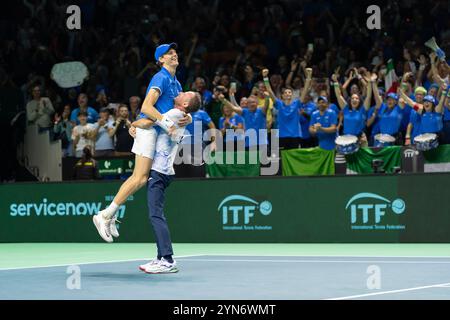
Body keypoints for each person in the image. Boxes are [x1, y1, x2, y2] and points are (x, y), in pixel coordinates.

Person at [92, 43, 192, 242]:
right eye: (168, 54)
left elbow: (176, 110)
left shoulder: (177, 84)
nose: (174, 55)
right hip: (148, 131)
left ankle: (108, 214)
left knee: (141, 178)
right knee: (139, 177)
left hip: (155, 131)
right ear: (161, 60)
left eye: (174, 52)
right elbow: (147, 105)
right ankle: (104, 215)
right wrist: (164, 124)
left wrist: (187, 118)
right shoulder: (160, 77)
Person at [137, 99, 201, 274]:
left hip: (159, 171)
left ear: (186, 103)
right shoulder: (182, 115)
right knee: (156, 214)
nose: (180, 93)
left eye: (185, 94)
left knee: (155, 215)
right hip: (163, 171)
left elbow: (148, 120)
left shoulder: (174, 114)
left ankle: (167, 259)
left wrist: (132, 123)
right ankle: (160, 258)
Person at [263, 68, 312, 150]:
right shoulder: (279, 104)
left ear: (292, 95)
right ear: (282, 96)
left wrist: (309, 76)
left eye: (289, 92)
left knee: (294, 157)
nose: (287, 93)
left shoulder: (296, 103)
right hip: (282, 136)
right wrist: (265, 77)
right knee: (282, 159)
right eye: (285, 92)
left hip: (295, 136)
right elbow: (270, 91)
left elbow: (305, 90)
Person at [332, 72, 370, 147]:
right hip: (346, 140)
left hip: (360, 140)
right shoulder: (345, 109)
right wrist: (335, 82)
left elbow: (368, 95)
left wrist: (369, 82)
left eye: (357, 98)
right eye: (352, 98)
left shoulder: (363, 109)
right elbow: (338, 95)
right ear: (350, 100)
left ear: (360, 101)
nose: (354, 99)